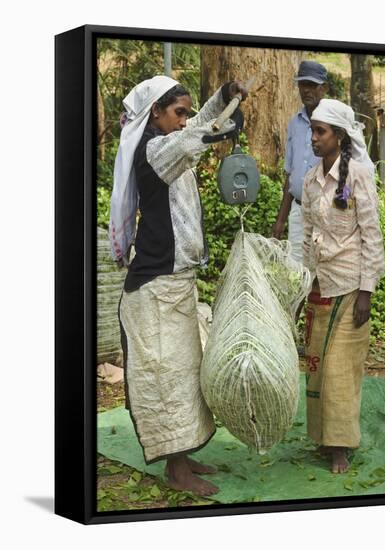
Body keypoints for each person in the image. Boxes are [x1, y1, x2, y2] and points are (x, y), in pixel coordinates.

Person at [109, 75, 248, 496]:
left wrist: (224, 95)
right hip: (154, 290)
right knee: (166, 381)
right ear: (155, 113)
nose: (184, 120)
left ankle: (183, 457)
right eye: (177, 112)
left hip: (176, 285)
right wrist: (219, 121)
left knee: (185, 377)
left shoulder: (172, 138)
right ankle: (176, 471)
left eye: (186, 112)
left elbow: (200, 126)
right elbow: (196, 137)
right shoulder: (155, 149)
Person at [301, 98, 384, 473]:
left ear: (339, 136)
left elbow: (372, 235)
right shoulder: (310, 178)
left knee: (339, 371)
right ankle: (321, 438)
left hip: (351, 286)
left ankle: (341, 446)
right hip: (320, 285)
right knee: (317, 367)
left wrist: (367, 291)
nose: (314, 138)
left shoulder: (359, 176)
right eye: (313, 131)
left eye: (321, 132)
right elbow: (305, 236)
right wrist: (302, 283)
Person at [272, 60, 328, 263]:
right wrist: (280, 220)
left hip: (324, 214)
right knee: (295, 271)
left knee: (321, 271)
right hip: (297, 210)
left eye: (312, 85)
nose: (306, 90)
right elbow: (290, 174)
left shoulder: (333, 125)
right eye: (302, 84)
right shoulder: (295, 123)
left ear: (324, 88)